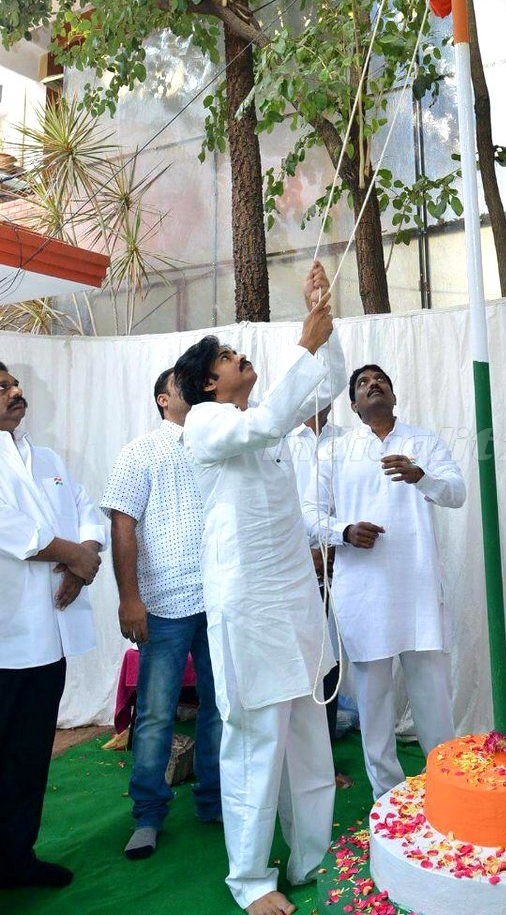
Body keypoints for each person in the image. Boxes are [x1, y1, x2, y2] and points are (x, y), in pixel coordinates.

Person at [174, 261, 346, 915]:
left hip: (295, 609)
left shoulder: (265, 430)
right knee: (255, 746)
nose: (241, 356)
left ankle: (311, 859)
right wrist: (304, 340)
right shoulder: (208, 426)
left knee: (308, 742)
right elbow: (271, 417)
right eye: (227, 355)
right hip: (248, 614)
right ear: (207, 382)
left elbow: (318, 388)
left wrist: (324, 328)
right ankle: (250, 882)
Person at [303, 363, 465, 799]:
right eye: (362, 383)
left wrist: (421, 476)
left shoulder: (423, 441)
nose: (373, 385)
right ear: (354, 406)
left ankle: (448, 792)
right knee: (374, 707)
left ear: (393, 395)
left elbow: (457, 492)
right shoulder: (333, 451)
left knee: (433, 701)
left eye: (381, 380)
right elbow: (308, 514)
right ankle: (388, 800)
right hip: (363, 593)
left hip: (418, 591)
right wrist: (344, 532)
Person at [101, 367, 222, 860]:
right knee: (154, 715)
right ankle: (149, 814)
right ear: (162, 399)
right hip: (164, 605)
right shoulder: (139, 452)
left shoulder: (217, 445)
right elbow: (122, 527)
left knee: (220, 708)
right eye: (182, 385)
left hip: (219, 600)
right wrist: (130, 599)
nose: (194, 390)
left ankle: (213, 801)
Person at [0, 362, 107, 890]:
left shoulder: (43, 457)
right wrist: (77, 559)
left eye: (14, 384)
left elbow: (87, 509)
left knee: (28, 755)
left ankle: (17, 858)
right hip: (7, 636)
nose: (16, 392)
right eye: (2, 388)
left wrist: (85, 557)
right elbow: (15, 530)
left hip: (52, 633)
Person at [286, 405, 352, 790]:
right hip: (285, 564)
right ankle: (289, 762)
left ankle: (324, 763)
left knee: (327, 665)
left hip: (338, 560)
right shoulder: (278, 440)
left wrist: (334, 545)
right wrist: (302, 554)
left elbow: (354, 503)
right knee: (292, 662)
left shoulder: (347, 441)